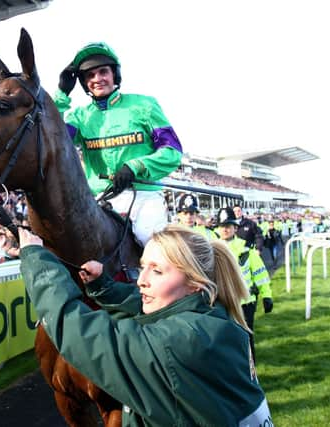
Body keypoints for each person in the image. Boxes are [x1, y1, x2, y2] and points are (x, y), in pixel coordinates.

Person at [18, 225, 271, 426]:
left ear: (195, 283)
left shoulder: (174, 343)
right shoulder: (213, 316)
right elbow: (148, 305)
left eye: (157, 271)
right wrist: (103, 286)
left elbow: (76, 329)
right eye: (143, 267)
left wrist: (36, 259)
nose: (141, 281)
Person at [54, 42, 183, 245]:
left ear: (115, 74)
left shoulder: (145, 105)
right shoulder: (79, 117)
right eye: (90, 75)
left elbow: (172, 151)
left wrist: (136, 166)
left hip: (144, 197)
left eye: (103, 71)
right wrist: (61, 95)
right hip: (101, 198)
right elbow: (52, 140)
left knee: (147, 238)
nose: (97, 79)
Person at [216, 207, 273, 362]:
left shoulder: (247, 249)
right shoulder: (211, 250)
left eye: (229, 225)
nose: (225, 229)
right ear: (217, 228)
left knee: (246, 339)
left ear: (236, 227)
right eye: (222, 226)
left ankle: (250, 375)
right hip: (222, 303)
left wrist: (267, 295)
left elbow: (260, 274)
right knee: (225, 341)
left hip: (246, 303)